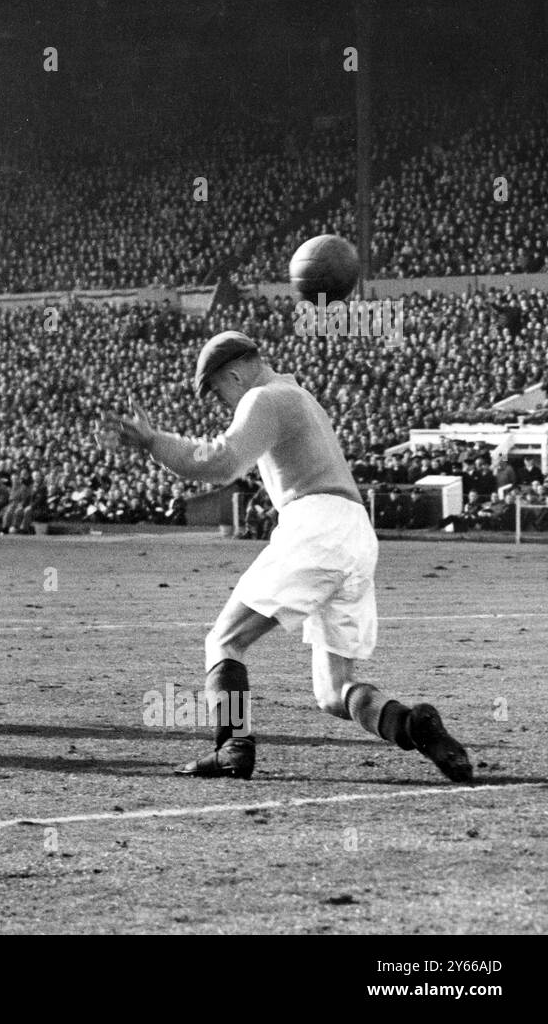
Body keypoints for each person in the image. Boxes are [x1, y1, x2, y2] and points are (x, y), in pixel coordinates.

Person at [96, 330, 471, 783]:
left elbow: (222, 460)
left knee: (224, 641)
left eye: (217, 391)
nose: (221, 403)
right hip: (355, 533)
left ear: (234, 374)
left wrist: (154, 441)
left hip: (316, 525)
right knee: (334, 693)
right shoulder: (300, 396)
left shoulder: (264, 398)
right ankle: (412, 724)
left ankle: (233, 746)